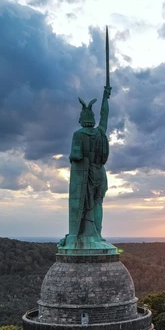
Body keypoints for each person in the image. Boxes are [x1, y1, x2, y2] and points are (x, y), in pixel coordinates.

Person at [68, 86, 111, 241]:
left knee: (86, 205)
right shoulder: (100, 132)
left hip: (88, 174)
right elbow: (104, 114)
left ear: (82, 119)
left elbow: (76, 155)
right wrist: (105, 98)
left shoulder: (78, 135)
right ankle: (97, 235)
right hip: (100, 173)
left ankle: (87, 234)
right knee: (98, 203)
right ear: (92, 119)